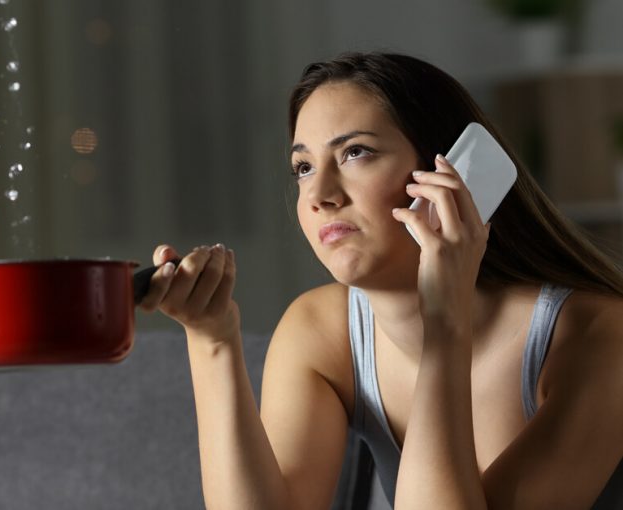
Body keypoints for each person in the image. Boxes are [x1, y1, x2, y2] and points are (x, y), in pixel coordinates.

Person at [137, 52, 623, 510]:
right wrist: (212, 340)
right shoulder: (320, 328)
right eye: (303, 167)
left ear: (450, 173)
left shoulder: (600, 336)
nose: (319, 195)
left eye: (356, 153)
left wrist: (443, 323)